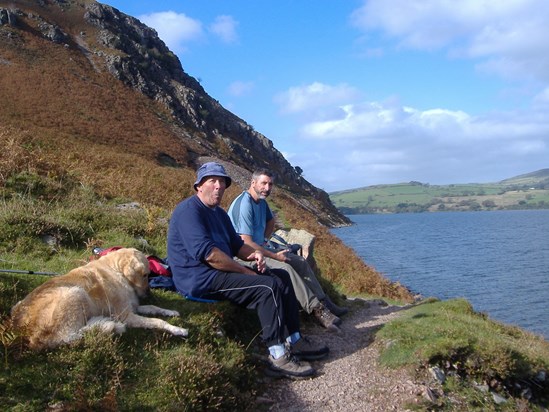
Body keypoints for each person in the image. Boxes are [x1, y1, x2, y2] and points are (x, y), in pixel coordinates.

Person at [167, 162, 328, 379]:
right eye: (212, 181)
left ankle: (295, 339)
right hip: (199, 279)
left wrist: (254, 255)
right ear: (199, 185)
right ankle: (278, 355)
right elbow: (210, 256)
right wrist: (245, 272)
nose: (218, 186)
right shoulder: (189, 212)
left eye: (222, 181)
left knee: (282, 276)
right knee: (266, 287)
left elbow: (237, 246)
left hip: (218, 273)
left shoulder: (219, 214)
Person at [227, 169, 348, 332]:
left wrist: (264, 240)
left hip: (260, 249)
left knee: (299, 262)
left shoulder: (261, 202)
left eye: (270, 184)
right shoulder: (244, 204)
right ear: (253, 183)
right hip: (244, 254)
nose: (267, 188)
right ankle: (318, 311)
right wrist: (273, 255)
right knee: (286, 268)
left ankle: (325, 301)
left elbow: (270, 221)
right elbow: (245, 242)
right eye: (263, 183)